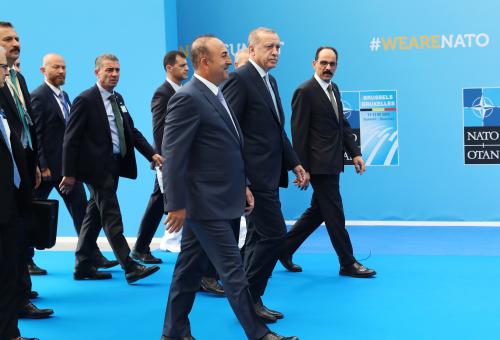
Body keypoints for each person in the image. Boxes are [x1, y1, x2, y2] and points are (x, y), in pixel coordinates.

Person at [161, 35, 297, 340]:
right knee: (233, 272)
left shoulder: (217, 94)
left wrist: (244, 185)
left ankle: (172, 332)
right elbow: (173, 156)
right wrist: (176, 204)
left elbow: (232, 148)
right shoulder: (188, 97)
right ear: (205, 62)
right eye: (224, 55)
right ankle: (259, 335)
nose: (230, 59)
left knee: (188, 270)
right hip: (206, 205)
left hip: (224, 198)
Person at [222, 27, 308, 323]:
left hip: (270, 175)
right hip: (253, 180)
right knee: (274, 237)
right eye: (269, 47)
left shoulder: (270, 81)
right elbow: (229, 134)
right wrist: (242, 181)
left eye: (278, 47)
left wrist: (294, 162)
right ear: (252, 48)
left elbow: (275, 130)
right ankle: (250, 298)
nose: (275, 52)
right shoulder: (240, 79)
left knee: (259, 238)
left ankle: (245, 299)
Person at [60, 54, 161, 284]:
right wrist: (69, 172)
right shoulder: (85, 99)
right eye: (109, 70)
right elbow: (70, 139)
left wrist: (151, 153)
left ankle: (83, 264)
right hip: (95, 169)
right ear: (97, 72)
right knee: (111, 216)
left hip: (114, 166)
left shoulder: (118, 99)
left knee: (93, 215)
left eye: (117, 70)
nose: (114, 74)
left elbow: (131, 131)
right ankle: (130, 265)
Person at [280, 46, 376, 278]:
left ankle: (282, 249)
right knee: (334, 212)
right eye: (323, 63)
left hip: (333, 163)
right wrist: (302, 168)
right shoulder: (304, 91)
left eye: (332, 64)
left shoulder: (334, 89)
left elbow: (341, 124)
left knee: (318, 211)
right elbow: (299, 133)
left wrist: (355, 153)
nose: (328, 68)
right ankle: (347, 262)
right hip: (318, 166)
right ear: (314, 63)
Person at [31, 53, 117, 270]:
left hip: (67, 170)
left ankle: (91, 255)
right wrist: (42, 166)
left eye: (64, 67)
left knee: (83, 212)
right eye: (56, 67)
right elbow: (36, 135)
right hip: (48, 170)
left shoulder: (65, 96)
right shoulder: (38, 96)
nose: (61, 71)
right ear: (44, 71)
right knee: (30, 213)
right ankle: (25, 260)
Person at [0, 21, 52, 320]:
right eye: (8, 38)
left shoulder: (17, 78)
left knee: (21, 237)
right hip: (6, 174)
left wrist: (34, 164)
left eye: (17, 37)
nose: (16, 42)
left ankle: (21, 296)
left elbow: (27, 127)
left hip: (22, 170)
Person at [133, 50, 189, 263]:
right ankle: (140, 247)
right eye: (182, 65)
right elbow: (159, 129)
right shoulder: (163, 93)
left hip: (179, 158)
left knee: (157, 201)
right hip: (167, 160)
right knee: (158, 201)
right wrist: (162, 158)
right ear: (169, 68)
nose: (186, 69)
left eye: (186, 65)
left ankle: (140, 247)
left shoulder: (183, 90)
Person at [0, 45, 39, 340]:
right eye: (3, 67)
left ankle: (10, 333)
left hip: (11, 205)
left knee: (9, 275)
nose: (8, 72)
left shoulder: (3, 106)